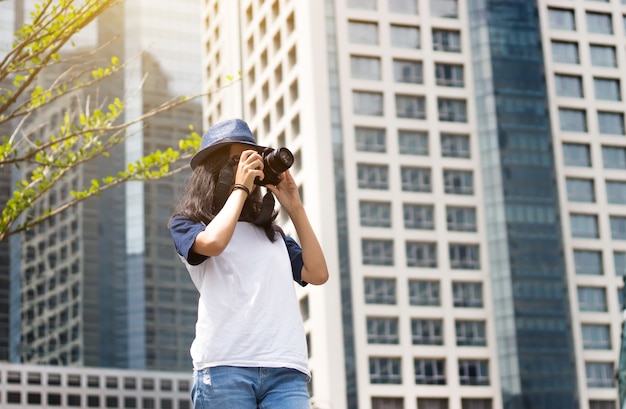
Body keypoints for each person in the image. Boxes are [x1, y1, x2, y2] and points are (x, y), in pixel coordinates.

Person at [169, 118, 329, 408]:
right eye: (238, 160)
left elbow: (317, 274)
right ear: (216, 168)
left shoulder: (273, 236)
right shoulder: (189, 225)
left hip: (285, 369)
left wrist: (294, 205)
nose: (248, 168)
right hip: (224, 367)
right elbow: (214, 244)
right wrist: (240, 188)